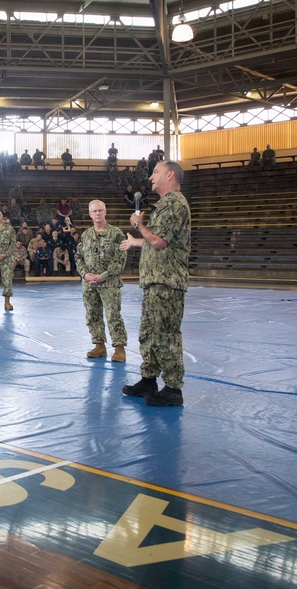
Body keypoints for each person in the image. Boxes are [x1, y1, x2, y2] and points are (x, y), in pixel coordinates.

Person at [119, 160, 191, 407]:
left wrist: (138, 224)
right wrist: (137, 240)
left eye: (156, 172)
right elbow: (155, 242)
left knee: (166, 335)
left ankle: (172, 388)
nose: (150, 177)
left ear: (170, 175)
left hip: (167, 281)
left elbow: (159, 242)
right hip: (155, 281)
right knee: (149, 333)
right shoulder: (163, 205)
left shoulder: (174, 204)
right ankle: (148, 379)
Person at [77, 200, 128, 362]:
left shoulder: (116, 234)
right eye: (94, 211)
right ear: (90, 214)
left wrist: (103, 276)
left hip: (109, 283)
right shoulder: (85, 235)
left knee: (113, 315)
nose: (98, 214)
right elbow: (78, 257)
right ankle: (99, 345)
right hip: (89, 283)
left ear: (105, 212)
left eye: (100, 210)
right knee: (92, 314)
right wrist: (85, 274)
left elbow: (120, 260)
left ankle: (119, 348)